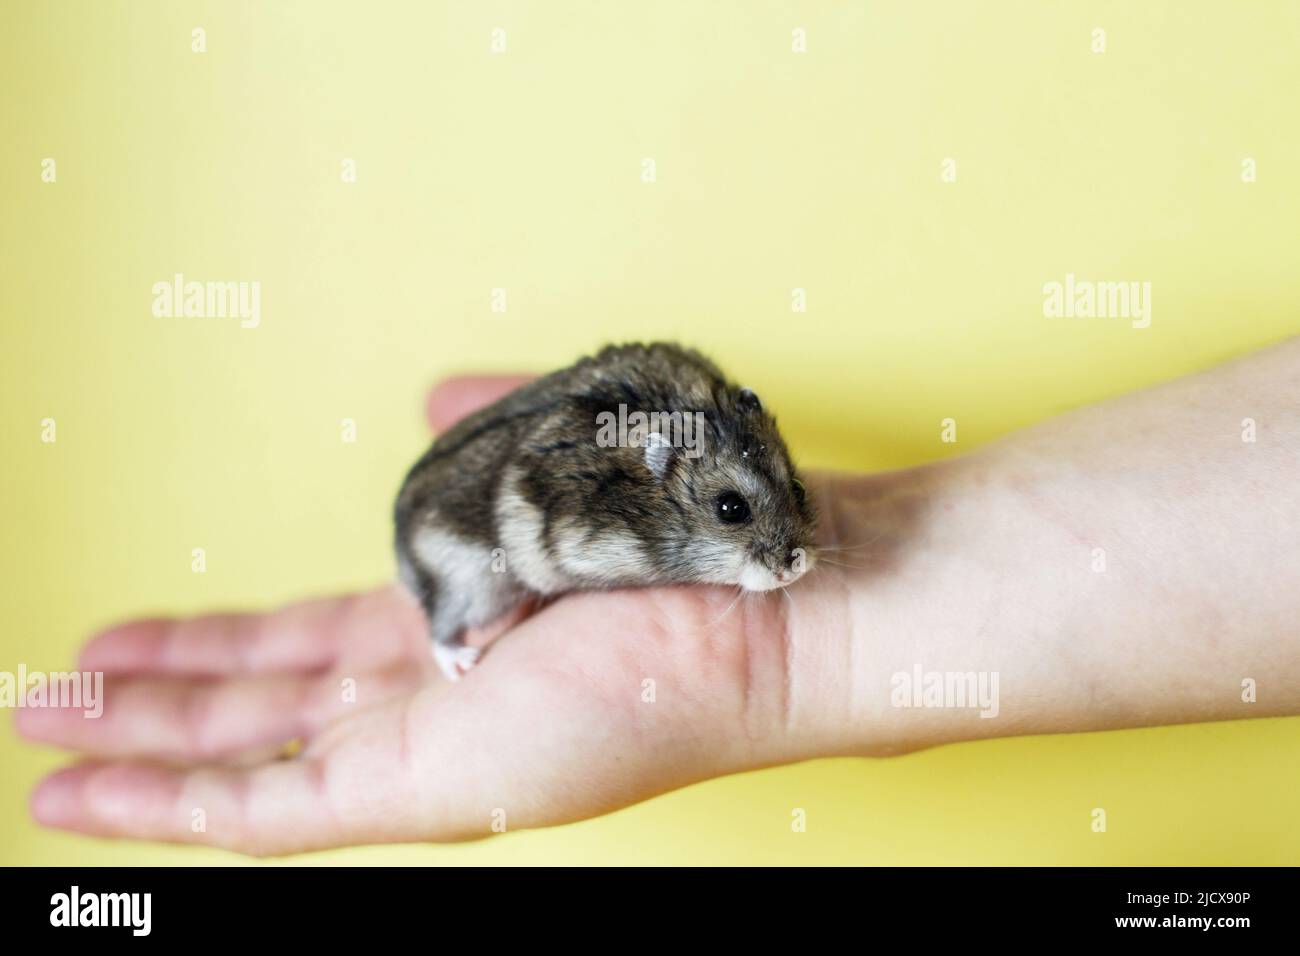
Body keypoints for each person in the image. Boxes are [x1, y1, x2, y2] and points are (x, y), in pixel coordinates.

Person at [17, 338, 1300, 856]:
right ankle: (458, 627)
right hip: (464, 545)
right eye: (743, 522)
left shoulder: (711, 446)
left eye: (778, 506)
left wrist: (781, 588)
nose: (787, 551)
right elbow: (533, 522)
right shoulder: (589, 503)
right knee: (480, 572)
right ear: (662, 491)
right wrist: (481, 614)